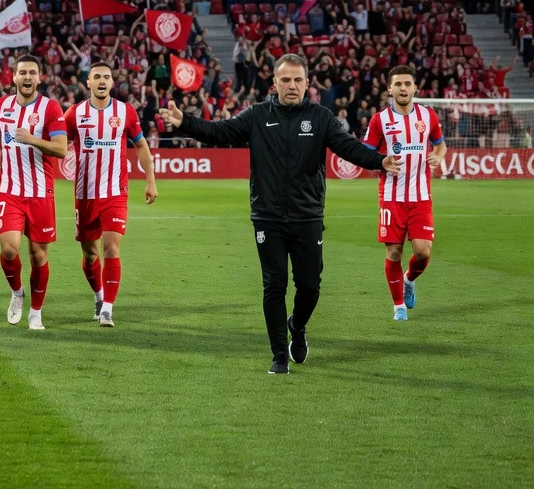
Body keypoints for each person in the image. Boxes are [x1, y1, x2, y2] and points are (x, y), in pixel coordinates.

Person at [161, 53, 399, 374]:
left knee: (310, 287)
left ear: (307, 83)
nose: (291, 86)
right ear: (274, 83)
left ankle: (297, 327)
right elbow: (222, 131)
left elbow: (348, 147)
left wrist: (378, 160)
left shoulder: (321, 117)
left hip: (308, 216)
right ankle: (278, 355)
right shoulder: (258, 115)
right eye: (285, 80)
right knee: (274, 285)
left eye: (297, 80)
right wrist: (185, 122)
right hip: (267, 217)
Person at [63, 63, 158, 327]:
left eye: (107, 77)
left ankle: (107, 308)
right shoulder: (74, 114)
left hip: (115, 191)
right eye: (97, 77)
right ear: (89, 82)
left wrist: (151, 181)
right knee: (90, 253)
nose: (102, 81)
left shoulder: (125, 111)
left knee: (111, 248)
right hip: (85, 193)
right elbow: (60, 144)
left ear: (112, 83)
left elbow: (141, 144)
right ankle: (99, 295)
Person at [0, 55, 68, 330]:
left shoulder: (50, 107)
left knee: (38, 256)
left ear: (40, 78)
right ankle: (17, 292)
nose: (27, 77)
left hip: (40, 192)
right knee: (9, 250)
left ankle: (36, 311)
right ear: (14, 77)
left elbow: (61, 149)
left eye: (32, 73)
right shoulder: (1, 106)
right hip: (10, 191)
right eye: (22, 72)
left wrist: (32, 139)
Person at [362, 65, 446, 321]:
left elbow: (440, 145)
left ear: (414, 88)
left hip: (420, 196)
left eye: (407, 84)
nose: (403, 88)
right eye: (398, 84)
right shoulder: (380, 120)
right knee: (394, 252)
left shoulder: (428, 116)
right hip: (391, 197)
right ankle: (398, 305)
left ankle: (409, 279)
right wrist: (381, 162)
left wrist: (438, 157)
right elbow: (365, 154)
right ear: (390, 89)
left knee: (423, 252)